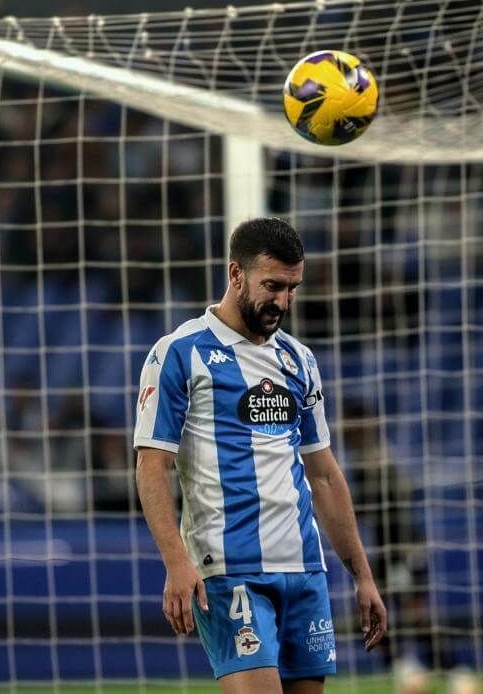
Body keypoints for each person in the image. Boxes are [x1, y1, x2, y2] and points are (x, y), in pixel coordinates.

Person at [134, 217, 387, 693]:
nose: (283, 301)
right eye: (272, 286)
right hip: (231, 570)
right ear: (236, 274)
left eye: (292, 288)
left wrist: (363, 575)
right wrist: (175, 562)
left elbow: (325, 475)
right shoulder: (180, 353)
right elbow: (152, 465)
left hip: (305, 569)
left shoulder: (299, 360)